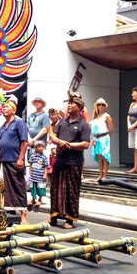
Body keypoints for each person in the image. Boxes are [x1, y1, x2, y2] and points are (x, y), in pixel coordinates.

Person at [50, 94, 90, 229]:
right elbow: (53, 136)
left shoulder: (83, 125)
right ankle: (54, 216)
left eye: (72, 104)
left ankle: (70, 219)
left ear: (79, 107)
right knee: (55, 189)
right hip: (59, 161)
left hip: (73, 162)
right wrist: (59, 141)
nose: (69, 105)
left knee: (71, 191)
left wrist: (70, 145)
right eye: (68, 103)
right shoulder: (62, 122)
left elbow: (85, 144)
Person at [0, 95, 29, 224]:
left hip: (15, 159)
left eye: (7, 106)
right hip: (3, 161)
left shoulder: (19, 123)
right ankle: (9, 213)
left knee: (18, 186)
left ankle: (24, 215)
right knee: (6, 188)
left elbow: (24, 142)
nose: (4, 108)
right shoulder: (2, 127)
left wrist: (21, 158)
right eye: (3, 106)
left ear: (13, 110)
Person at [90, 98, 113, 182]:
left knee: (105, 156)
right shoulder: (95, 116)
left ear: (105, 106)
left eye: (102, 104)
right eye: (99, 104)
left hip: (104, 137)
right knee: (99, 156)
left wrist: (108, 138)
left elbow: (111, 129)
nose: (100, 106)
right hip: (96, 137)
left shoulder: (107, 116)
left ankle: (105, 175)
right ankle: (100, 175)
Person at [28, 141, 48, 211]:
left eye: (42, 146)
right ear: (36, 148)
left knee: (40, 188)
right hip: (33, 176)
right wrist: (30, 173)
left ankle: (40, 199)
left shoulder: (44, 157)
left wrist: (45, 174)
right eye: (39, 146)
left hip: (40, 176)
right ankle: (33, 199)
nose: (41, 148)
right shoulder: (33, 156)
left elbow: (46, 167)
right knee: (33, 188)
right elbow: (30, 165)